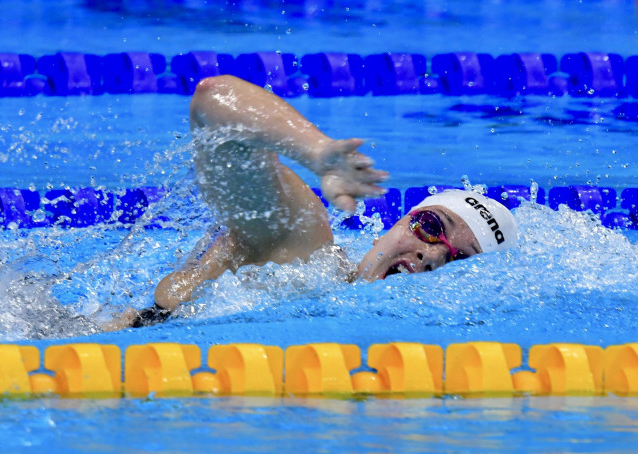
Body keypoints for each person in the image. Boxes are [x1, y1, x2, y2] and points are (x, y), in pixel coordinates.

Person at [115, 75, 518, 329]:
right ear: (403, 220)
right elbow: (213, 99)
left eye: (458, 260)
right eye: (432, 227)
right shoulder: (306, 252)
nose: (431, 256)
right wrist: (316, 151)